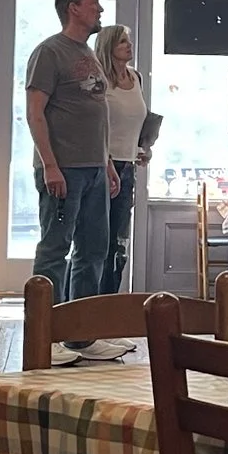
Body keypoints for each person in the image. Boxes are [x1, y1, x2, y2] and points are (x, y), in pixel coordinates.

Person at [23, 0, 125, 364]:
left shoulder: (88, 53)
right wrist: (50, 165)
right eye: (94, 3)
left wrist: (107, 163)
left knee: (94, 250)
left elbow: (95, 115)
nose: (100, 10)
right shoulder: (50, 52)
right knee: (55, 249)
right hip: (64, 169)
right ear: (74, 9)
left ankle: (80, 336)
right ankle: (43, 336)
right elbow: (35, 113)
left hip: (95, 169)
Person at [94, 23, 153, 298]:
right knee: (98, 240)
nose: (129, 46)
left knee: (119, 242)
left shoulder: (136, 78)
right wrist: (106, 161)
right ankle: (88, 302)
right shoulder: (100, 81)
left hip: (128, 165)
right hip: (102, 165)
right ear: (109, 47)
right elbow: (95, 123)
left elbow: (136, 120)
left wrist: (143, 147)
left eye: (128, 41)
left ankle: (110, 300)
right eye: (121, 42)